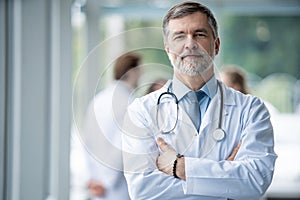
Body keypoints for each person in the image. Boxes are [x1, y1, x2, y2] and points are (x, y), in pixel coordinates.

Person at [122, 2, 277, 199]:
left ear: (217, 45)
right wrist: (225, 177)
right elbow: (144, 190)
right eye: (179, 36)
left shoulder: (251, 110)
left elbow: (255, 180)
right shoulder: (141, 112)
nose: (190, 43)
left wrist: (181, 167)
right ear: (168, 48)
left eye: (200, 34)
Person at [82, 52, 142, 200]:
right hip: (118, 186)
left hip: (98, 186)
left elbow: (86, 142)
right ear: (131, 72)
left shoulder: (97, 100)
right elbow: (123, 144)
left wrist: (93, 178)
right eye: (140, 71)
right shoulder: (130, 103)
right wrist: (107, 182)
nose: (141, 76)